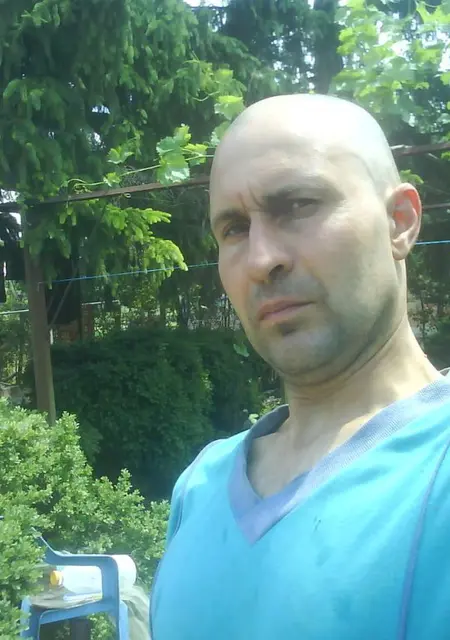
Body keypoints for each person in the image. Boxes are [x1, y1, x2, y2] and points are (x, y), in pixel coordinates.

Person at [149, 94, 450, 640]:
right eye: (234, 228)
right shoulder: (200, 485)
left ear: (399, 222)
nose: (262, 259)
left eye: (298, 205)